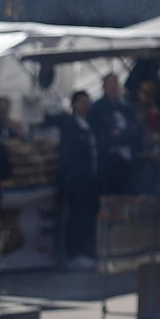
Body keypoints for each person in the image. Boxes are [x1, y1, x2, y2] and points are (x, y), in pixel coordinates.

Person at [58, 92, 100, 270]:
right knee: (76, 217)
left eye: (87, 102)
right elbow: (68, 155)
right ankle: (74, 254)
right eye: (82, 102)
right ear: (74, 104)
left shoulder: (91, 124)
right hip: (76, 180)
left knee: (88, 217)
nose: (86, 106)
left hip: (91, 179)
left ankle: (87, 251)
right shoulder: (69, 126)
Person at [89, 74, 140, 195]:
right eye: (110, 84)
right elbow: (100, 133)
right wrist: (114, 136)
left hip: (128, 157)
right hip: (108, 158)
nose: (113, 87)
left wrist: (122, 135)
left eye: (115, 84)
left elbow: (134, 129)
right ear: (104, 87)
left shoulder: (125, 107)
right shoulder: (98, 108)